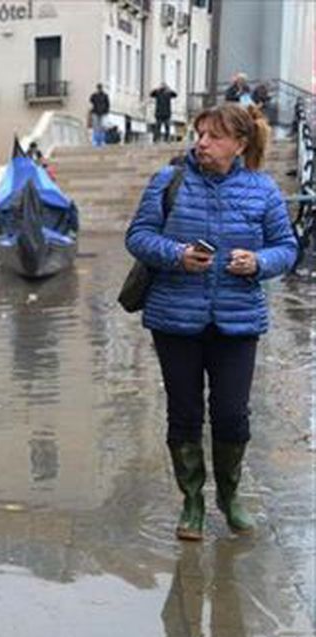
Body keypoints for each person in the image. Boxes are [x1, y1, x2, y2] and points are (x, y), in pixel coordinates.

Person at [125, 103, 298, 541]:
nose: (201, 142)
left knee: (231, 416)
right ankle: (192, 501)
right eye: (199, 133)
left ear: (239, 144)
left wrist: (257, 262)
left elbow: (287, 247)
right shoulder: (169, 180)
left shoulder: (262, 189)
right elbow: (139, 237)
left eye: (213, 136)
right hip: (174, 319)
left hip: (237, 323)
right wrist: (177, 256)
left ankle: (229, 496)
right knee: (183, 414)